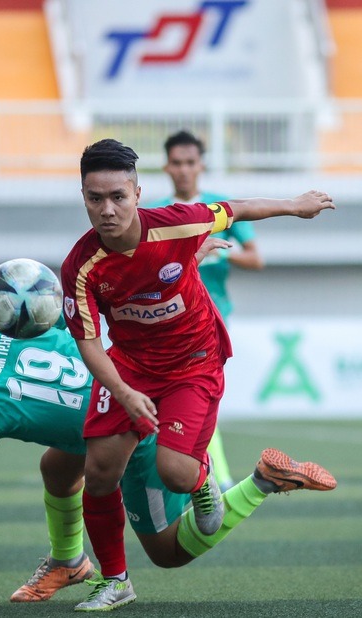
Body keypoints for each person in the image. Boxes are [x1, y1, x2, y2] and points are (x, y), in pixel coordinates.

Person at [0, 317, 336, 610]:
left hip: (132, 434)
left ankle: (262, 481)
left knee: (168, 553)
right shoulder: (9, 331)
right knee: (57, 466)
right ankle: (69, 562)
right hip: (135, 387)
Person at [59, 138, 335, 607]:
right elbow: (88, 344)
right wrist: (124, 392)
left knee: (176, 474)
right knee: (99, 471)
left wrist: (295, 205)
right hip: (130, 365)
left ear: (139, 193)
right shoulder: (80, 267)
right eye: (95, 198)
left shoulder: (177, 222)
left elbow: (239, 208)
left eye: (118, 196)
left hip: (193, 361)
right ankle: (116, 581)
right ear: (83, 198)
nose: (107, 209)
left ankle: (202, 478)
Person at [146, 130, 264, 492]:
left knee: (199, 394)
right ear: (167, 166)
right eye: (177, 163)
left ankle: (216, 475)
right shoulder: (159, 213)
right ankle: (196, 475)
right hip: (169, 319)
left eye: (190, 163)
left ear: (201, 165)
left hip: (211, 317)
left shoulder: (220, 209)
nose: (184, 170)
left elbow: (256, 258)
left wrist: (221, 251)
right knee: (177, 398)